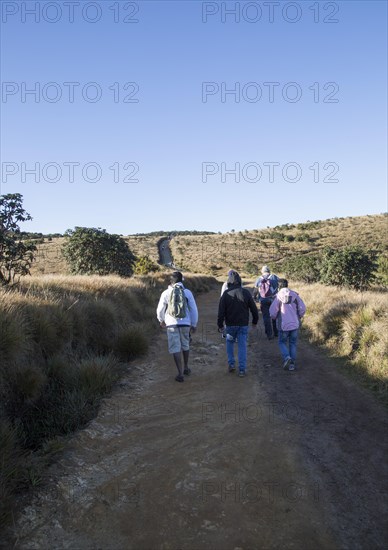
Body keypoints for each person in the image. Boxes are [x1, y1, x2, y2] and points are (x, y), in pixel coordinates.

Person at [156, 271, 198, 382]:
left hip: (171, 323)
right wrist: (193, 324)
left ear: (171, 281)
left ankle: (180, 374)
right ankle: (186, 367)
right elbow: (193, 309)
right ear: (181, 280)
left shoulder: (166, 293)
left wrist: (161, 320)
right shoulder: (187, 292)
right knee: (185, 344)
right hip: (185, 323)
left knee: (175, 347)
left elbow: (160, 309)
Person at [217, 270, 259, 377]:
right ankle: (242, 370)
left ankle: (231, 364)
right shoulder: (246, 293)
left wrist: (220, 325)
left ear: (229, 282)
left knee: (230, 344)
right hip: (243, 325)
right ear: (240, 281)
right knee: (242, 346)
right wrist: (254, 321)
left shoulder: (225, 294)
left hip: (230, 325)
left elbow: (221, 312)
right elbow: (254, 309)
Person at [269, 279, 306, 371]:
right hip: (295, 324)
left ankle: (287, 357)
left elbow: (272, 312)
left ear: (279, 286)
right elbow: (302, 308)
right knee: (293, 343)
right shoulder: (295, 295)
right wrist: (299, 316)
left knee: (281, 342)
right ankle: (292, 365)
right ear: (287, 285)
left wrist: (274, 318)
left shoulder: (278, 297)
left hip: (283, 325)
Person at [253, 265, 279, 340]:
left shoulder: (259, 279)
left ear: (262, 271)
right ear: (269, 270)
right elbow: (280, 286)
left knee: (266, 317)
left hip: (263, 300)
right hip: (274, 299)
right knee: (274, 316)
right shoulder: (275, 277)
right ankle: (276, 332)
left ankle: (269, 334)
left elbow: (255, 290)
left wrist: (254, 298)